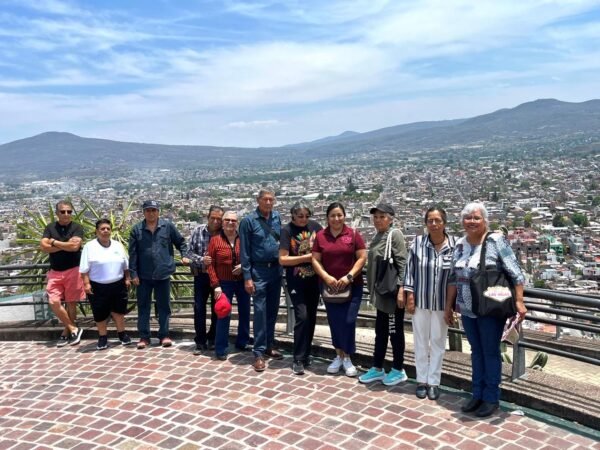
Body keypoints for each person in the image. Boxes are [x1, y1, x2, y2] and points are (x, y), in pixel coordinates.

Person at [445, 202, 527, 418]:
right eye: (468, 217)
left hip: (490, 308)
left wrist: (519, 301)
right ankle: (477, 394)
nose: (471, 221)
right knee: (476, 351)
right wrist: (449, 307)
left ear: (485, 221)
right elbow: (453, 277)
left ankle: (491, 397)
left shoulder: (495, 241)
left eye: (476, 217)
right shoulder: (460, 245)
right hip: (467, 309)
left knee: (490, 351)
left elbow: (516, 272)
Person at [403, 206, 457, 400]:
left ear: (444, 222)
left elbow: (455, 278)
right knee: (420, 342)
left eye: (437, 220)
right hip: (421, 302)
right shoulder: (417, 243)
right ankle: (421, 380)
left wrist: (451, 306)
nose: (434, 224)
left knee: (438, 342)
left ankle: (433, 382)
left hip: (443, 304)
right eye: (430, 221)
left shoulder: (455, 245)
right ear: (425, 223)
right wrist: (410, 297)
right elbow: (410, 271)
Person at [312, 202, 367, 377]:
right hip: (330, 287)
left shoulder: (353, 234)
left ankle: (348, 356)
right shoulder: (321, 236)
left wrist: (349, 276)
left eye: (339, 215)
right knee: (334, 321)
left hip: (352, 286)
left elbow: (362, 257)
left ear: (344, 216)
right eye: (332, 215)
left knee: (349, 320)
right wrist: (326, 277)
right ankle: (338, 355)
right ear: (327, 218)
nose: (336, 219)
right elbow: (315, 260)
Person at [128, 200, 188, 349]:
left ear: (158, 212)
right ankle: (144, 337)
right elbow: (133, 254)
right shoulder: (137, 230)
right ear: (143, 212)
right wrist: (133, 273)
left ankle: (164, 335)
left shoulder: (167, 227)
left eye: (154, 210)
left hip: (163, 274)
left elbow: (181, 242)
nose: (151, 213)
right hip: (143, 275)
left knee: (164, 306)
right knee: (143, 307)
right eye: (148, 210)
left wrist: (184, 255)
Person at [359, 203, 408, 386]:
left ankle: (398, 369)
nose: (378, 220)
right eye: (376, 217)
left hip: (392, 295)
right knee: (380, 332)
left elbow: (403, 263)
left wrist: (402, 289)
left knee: (395, 332)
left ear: (391, 219)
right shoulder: (378, 236)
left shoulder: (394, 235)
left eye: (382, 217)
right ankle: (378, 367)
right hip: (381, 294)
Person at [239, 188, 284, 372]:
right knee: (259, 312)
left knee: (272, 310)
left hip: (275, 270)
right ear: (258, 200)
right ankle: (258, 352)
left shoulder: (277, 218)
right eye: (265, 199)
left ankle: (269, 345)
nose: (268, 202)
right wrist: (247, 277)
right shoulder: (248, 221)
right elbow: (244, 251)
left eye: (271, 199)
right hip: (258, 271)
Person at [279, 200, 323, 375]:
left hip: (314, 280)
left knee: (311, 317)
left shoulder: (315, 227)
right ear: (293, 216)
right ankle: (297, 358)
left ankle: (306, 354)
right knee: (302, 316)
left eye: (306, 216)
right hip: (296, 281)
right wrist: (306, 258)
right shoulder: (287, 231)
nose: (304, 219)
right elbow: (283, 259)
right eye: (300, 216)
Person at [79, 219, 132, 350]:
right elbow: (84, 269)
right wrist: (86, 284)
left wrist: (127, 278)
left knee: (119, 311)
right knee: (100, 313)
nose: (105, 231)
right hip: (97, 285)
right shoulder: (89, 246)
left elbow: (125, 265)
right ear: (96, 231)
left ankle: (122, 334)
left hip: (118, 284)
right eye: (102, 229)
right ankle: (102, 337)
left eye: (108, 229)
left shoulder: (117, 245)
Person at [40, 200, 85, 347]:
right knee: (53, 301)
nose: (66, 214)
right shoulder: (50, 227)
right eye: (63, 211)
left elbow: (75, 247)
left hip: (73, 269)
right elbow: (43, 246)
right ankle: (74, 328)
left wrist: (54, 242)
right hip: (55, 271)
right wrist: (66, 245)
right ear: (57, 213)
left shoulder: (77, 227)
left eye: (69, 211)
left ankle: (67, 332)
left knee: (71, 303)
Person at [206, 211, 250, 360]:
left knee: (245, 312)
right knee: (223, 314)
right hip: (224, 283)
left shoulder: (243, 239)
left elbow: (251, 257)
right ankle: (221, 348)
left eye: (233, 220)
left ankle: (243, 342)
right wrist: (215, 285)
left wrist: (243, 266)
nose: (231, 223)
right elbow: (210, 264)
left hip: (242, 281)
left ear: (237, 223)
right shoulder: (215, 240)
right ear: (223, 223)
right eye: (227, 220)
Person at [186, 205, 224, 354]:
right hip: (201, 276)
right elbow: (189, 252)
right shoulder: (198, 231)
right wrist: (202, 259)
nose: (215, 221)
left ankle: (213, 338)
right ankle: (200, 341)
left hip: (219, 277)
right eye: (213, 218)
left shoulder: (224, 233)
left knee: (218, 309)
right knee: (199, 308)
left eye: (218, 219)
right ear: (207, 218)